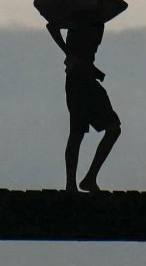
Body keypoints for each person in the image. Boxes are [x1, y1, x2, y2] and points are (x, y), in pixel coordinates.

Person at [47, 18, 121, 192]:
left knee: (113, 129)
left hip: (87, 78)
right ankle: (71, 183)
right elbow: (52, 26)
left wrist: (91, 68)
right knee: (77, 132)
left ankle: (89, 178)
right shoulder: (80, 16)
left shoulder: (98, 23)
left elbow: (85, 54)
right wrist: (70, 54)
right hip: (77, 81)